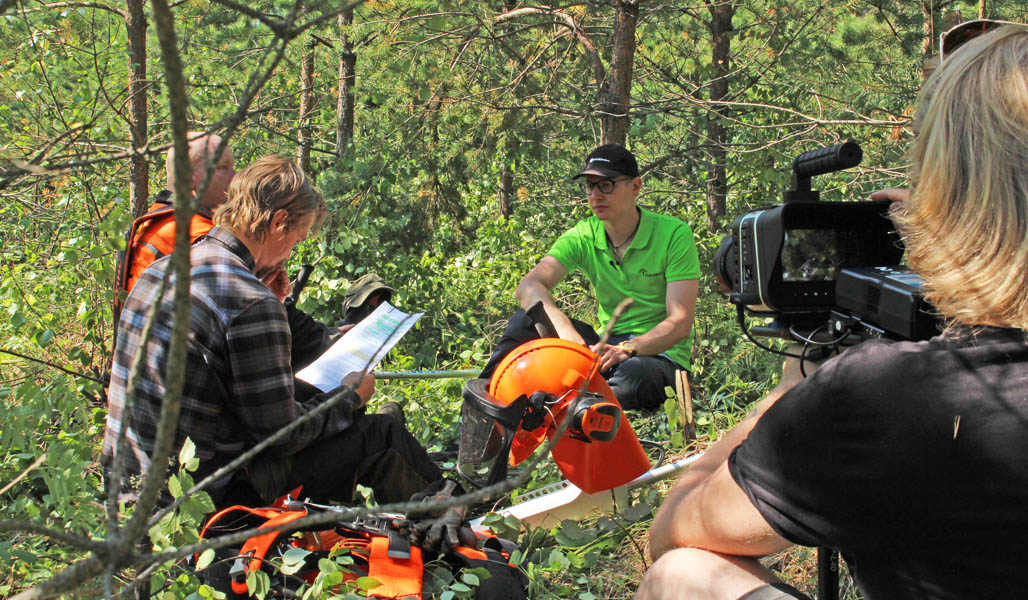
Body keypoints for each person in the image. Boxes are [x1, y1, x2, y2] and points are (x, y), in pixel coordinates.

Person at [638, 23, 1028, 600]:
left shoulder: (890, 396)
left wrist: (794, 388)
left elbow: (674, 530)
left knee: (681, 576)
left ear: (950, 189)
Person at [102, 156, 441, 509]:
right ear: (279, 223)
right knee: (379, 434)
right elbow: (282, 437)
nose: (294, 248)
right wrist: (349, 397)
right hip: (202, 500)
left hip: (129, 489)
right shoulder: (250, 302)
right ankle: (459, 532)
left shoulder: (161, 269)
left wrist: (272, 300)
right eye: (299, 236)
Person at [480, 143, 700, 410]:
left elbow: (679, 323)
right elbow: (528, 287)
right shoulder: (584, 234)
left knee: (633, 376)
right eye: (590, 186)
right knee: (527, 320)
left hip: (657, 357)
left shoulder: (673, 234)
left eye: (606, 185)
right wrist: (567, 335)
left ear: (636, 186)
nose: (596, 195)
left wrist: (629, 348)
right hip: (604, 349)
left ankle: (573, 409)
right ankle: (484, 413)